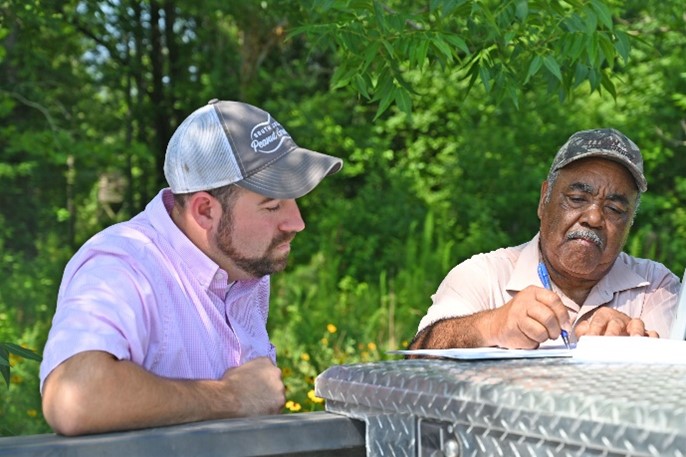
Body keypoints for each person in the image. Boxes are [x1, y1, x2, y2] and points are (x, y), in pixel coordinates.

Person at [39, 99, 343, 436]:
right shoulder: (124, 264)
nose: (296, 222)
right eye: (272, 206)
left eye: (294, 200)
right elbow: (75, 399)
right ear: (204, 211)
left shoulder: (241, 266)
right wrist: (232, 396)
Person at [410, 128, 680, 351]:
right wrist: (492, 326)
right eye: (577, 199)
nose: (594, 218)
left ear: (630, 221)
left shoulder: (655, 287)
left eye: (615, 209)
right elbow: (417, 359)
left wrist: (635, 348)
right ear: (544, 199)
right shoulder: (485, 275)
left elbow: (672, 387)